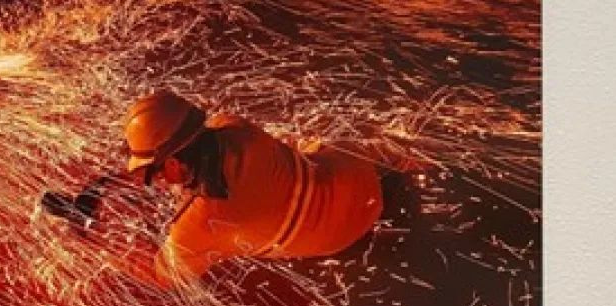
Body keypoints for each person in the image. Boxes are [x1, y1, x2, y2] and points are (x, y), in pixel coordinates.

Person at [103, 90, 426, 289]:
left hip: (346, 236)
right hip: (355, 171)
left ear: (173, 164)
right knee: (311, 143)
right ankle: (413, 162)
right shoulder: (232, 125)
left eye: (152, 173)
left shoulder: (199, 224)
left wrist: (98, 246)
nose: (153, 181)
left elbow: (164, 278)